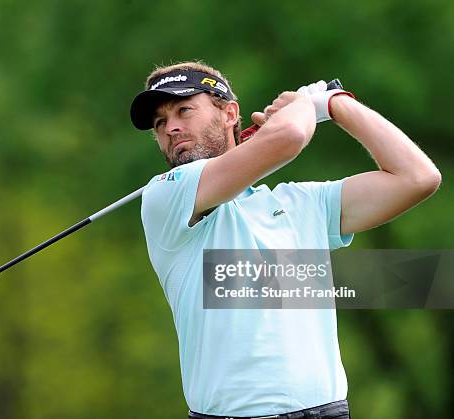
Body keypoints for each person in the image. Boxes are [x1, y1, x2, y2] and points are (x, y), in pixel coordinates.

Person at [129, 61, 441, 419]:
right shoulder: (165, 197)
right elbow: (289, 137)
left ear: (229, 113)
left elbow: (419, 177)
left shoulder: (300, 203)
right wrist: (303, 106)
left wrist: (336, 104)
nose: (172, 128)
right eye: (159, 123)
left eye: (184, 110)